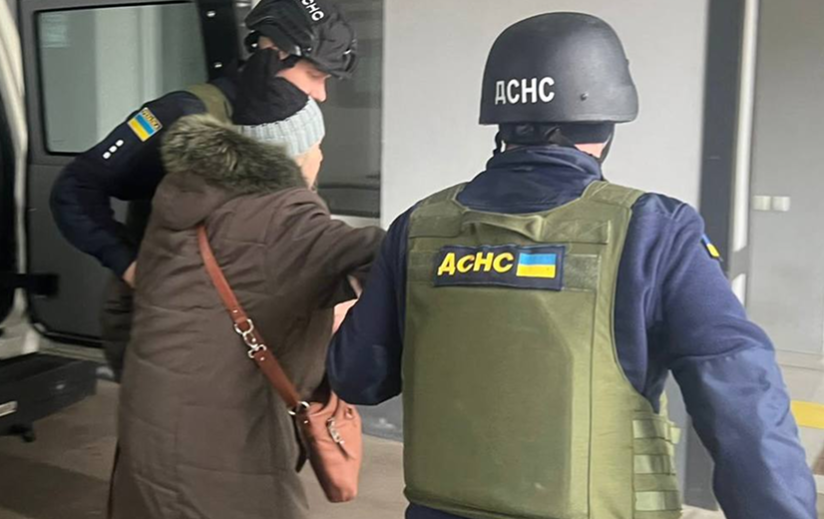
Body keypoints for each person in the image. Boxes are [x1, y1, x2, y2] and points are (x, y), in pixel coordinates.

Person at [326, 12, 816, 519]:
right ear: (608, 120)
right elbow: (741, 395)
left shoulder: (418, 226)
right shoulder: (654, 229)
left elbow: (359, 379)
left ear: (501, 122)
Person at [109, 75, 384, 519]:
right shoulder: (287, 219)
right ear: (297, 152)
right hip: (223, 446)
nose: (321, 155)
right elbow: (392, 256)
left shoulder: (180, 197)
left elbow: (117, 308)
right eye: (317, 144)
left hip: (148, 426)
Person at [49, 0, 357, 381]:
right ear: (275, 52)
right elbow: (74, 189)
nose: (322, 94)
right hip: (169, 323)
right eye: (315, 75)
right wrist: (131, 265)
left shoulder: (301, 125)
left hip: (251, 325)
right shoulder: (180, 113)